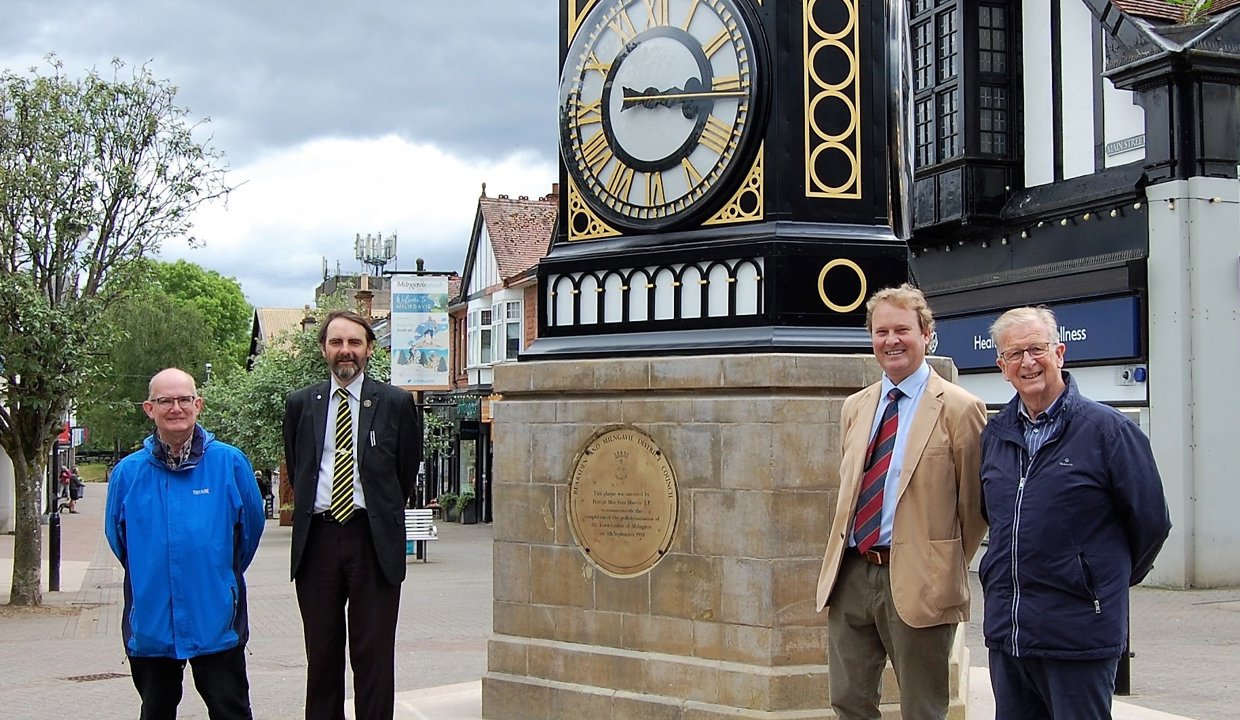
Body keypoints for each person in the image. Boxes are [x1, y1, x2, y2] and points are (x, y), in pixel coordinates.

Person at [980, 306, 1171, 719]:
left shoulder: (1109, 431)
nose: (1028, 362)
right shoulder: (995, 436)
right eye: (1015, 354)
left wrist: (1098, 581)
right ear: (1002, 367)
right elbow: (997, 522)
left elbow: (1152, 523)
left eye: (1037, 349)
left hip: (1078, 639)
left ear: (1060, 353)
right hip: (1009, 638)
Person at [815, 283, 988, 720]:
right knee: (849, 702)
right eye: (881, 331)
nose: (891, 340)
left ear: (926, 334)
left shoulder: (960, 409)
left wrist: (938, 561)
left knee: (922, 708)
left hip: (920, 581)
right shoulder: (856, 407)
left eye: (902, 330)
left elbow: (975, 507)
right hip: (852, 573)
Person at [283, 310, 421, 720]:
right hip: (318, 541)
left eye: (355, 343)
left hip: (372, 540)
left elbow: (405, 471)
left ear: (369, 349)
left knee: (374, 655)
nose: (346, 351)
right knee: (322, 655)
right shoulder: (301, 404)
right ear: (324, 348)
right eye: (337, 342)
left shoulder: (396, 403)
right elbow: (298, 465)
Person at [104, 368, 265, 720]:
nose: (175, 407)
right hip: (151, 621)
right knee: (156, 711)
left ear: (198, 404)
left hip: (216, 619)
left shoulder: (229, 463)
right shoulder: (128, 473)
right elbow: (119, 541)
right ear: (149, 408)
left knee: (231, 710)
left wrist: (219, 579)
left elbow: (249, 532)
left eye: (183, 399)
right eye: (165, 400)